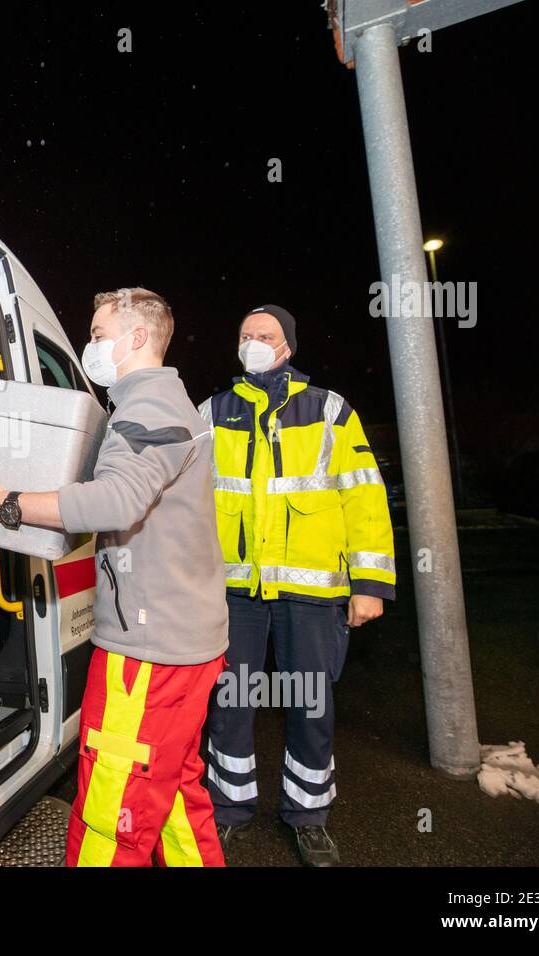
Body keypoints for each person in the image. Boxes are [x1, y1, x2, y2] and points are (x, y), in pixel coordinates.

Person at [0, 288, 228, 866]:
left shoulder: (148, 407)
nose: (92, 346)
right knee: (173, 791)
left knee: (111, 811)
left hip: (149, 651)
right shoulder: (166, 402)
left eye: (100, 334)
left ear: (136, 339)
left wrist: (8, 505)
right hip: (182, 639)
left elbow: (118, 501)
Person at [199, 304, 396, 866]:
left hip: (312, 592)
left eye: (266, 335)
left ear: (289, 346)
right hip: (233, 589)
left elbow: (363, 496)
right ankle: (228, 809)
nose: (254, 342)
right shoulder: (214, 411)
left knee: (309, 703)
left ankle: (309, 816)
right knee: (231, 701)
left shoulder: (328, 409)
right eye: (245, 335)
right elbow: (183, 493)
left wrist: (371, 584)